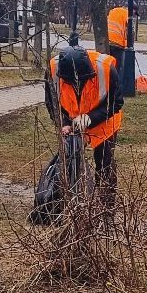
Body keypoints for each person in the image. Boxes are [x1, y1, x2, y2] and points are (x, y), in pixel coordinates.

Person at [45, 36, 123, 213]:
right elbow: (51, 103)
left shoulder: (105, 69)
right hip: (72, 122)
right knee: (69, 158)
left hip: (105, 121)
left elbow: (116, 102)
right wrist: (63, 123)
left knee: (104, 162)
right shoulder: (53, 70)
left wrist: (90, 118)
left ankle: (106, 207)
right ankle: (68, 200)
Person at [107, 3, 129, 81]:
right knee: (117, 66)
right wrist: (128, 45)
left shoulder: (112, 11)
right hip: (118, 43)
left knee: (108, 64)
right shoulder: (127, 14)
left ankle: (108, 82)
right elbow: (128, 31)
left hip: (107, 41)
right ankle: (116, 83)